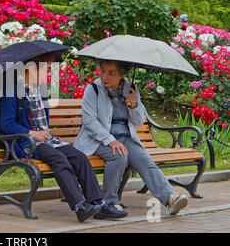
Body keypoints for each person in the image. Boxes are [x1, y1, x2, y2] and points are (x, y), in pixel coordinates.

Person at [0, 52, 127, 222]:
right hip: (24, 142)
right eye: (47, 69)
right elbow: (6, 124)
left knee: (79, 157)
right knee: (59, 159)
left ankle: (99, 203)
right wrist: (33, 133)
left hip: (46, 139)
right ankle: (79, 205)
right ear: (30, 69)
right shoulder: (12, 91)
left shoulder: (39, 90)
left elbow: (42, 121)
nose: (49, 73)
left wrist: (42, 133)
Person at [73, 59, 188, 215]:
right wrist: (111, 140)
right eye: (103, 71)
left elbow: (138, 121)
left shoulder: (131, 89)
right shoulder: (93, 89)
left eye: (111, 73)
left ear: (122, 74)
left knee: (145, 160)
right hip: (97, 140)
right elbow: (89, 121)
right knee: (119, 155)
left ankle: (170, 198)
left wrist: (134, 107)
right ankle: (108, 203)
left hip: (125, 138)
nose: (105, 76)